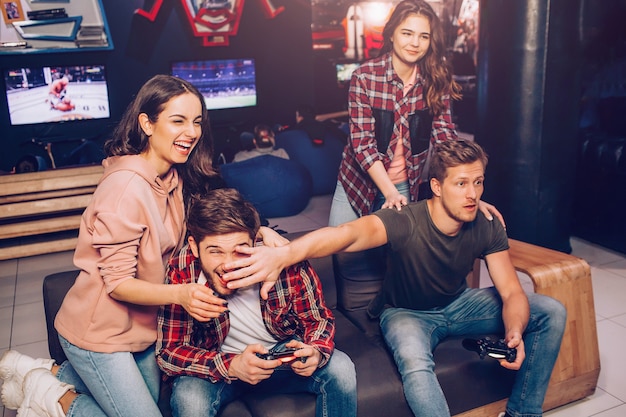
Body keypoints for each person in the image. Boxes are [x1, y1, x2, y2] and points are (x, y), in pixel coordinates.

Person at [0, 74, 284, 417]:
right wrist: (182, 295)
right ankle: (49, 394)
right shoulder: (125, 188)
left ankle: (50, 372)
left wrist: (261, 233)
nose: (191, 132)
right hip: (100, 332)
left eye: (196, 122)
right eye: (177, 120)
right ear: (147, 124)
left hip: (144, 326)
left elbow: (216, 218)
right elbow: (118, 284)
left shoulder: (173, 176)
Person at [221, 140, 567, 417]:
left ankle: (523, 412)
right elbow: (345, 234)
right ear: (436, 186)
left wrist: (514, 331)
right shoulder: (407, 220)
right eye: (461, 183)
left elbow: (510, 291)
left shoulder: (486, 222)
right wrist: (285, 254)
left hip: (461, 304)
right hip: (406, 313)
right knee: (417, 366)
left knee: (550, 310)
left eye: (477, 182)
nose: (472, 194)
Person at [156, 187, 357, 417]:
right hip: (220, 367)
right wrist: (232, 365)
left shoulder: (282, 257)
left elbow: (317, 319)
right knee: (189, 398)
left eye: (239, 250)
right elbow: (169, 352)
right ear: (194, 247)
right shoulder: (183, 269)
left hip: (281, 359)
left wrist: (315, 350)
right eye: (216, 252)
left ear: (255, 242)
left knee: (340, 369)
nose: (228, 264)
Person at [328, 0, 504, 227]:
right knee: (343, 252)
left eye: (424, 36)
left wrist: (468, 195)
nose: (415, 43)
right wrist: (389, 192)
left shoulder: (436, 80)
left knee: (394, 258)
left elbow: (445, 141)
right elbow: (362, 144)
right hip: (356, 183)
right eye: (407, 33)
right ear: (392, 34)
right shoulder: (365, 77)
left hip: (404, 185)